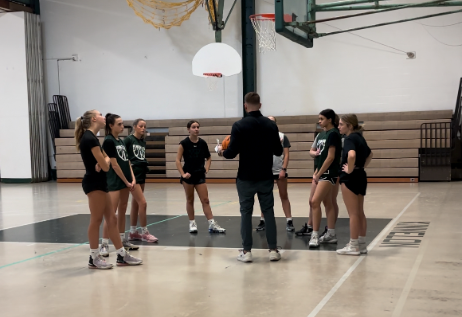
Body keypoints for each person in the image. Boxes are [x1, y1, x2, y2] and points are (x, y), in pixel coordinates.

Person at [218, 92, 283, 263]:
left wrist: (220, 151)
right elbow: (278, 151)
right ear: (260, 105)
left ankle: (246, 252)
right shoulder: (270, 125)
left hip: (246, 177)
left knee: (246, 213)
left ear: (245, 106)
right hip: (265, 176)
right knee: (268, 211)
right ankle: (273, 250)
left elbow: (231, 154)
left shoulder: (239, 125)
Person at [75, 110, 142, 268]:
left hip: (101, 183)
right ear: (93, 119)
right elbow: (106, 165)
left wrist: (104, 159)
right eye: (99, 114)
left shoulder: (95, 138)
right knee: (96, 220)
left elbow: (105, 161)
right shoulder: (89, 138)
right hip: (93, 183)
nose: (103, 117)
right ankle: (93, 257)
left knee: (112, 219)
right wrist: (105, 160)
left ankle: (121, 255)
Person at [99, 114, 148, 257]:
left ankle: (122, 239)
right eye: (119, 124)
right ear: (111, 126)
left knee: (122, 210)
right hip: (115, 182)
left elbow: (127, 162)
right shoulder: (108, 141)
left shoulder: (120, 141)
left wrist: (132, 178)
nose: (122, 126)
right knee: (111, 213)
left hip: (126, 181)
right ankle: (104, 243)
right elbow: (114, 165)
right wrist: (125, 181)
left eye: (122, 124)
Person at [295, 109, 341, 248]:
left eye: (322, 119)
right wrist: (316, 171)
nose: (319, 121)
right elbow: (319, 155)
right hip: (320, 172)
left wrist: (319, 173)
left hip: (329, 173)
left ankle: (314, 234)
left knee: (316, 201)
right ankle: (331, 233)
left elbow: (331, 157)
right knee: (326, 203)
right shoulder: (321, 134)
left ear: (330, 119)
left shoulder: (333, 134)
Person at [175, 120, 226, 233]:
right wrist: (183, 174)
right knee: (190, 200)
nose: (196, 129)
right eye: (193, 127)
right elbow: (177, 161)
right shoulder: (183, 143)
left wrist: (206, 169)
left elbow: (208, 157)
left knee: (205, 200)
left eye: (198, 127)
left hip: (199, 175)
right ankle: (192, 223)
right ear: (188, 129)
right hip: (188, 177)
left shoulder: (202, 143)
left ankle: (212, 223)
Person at [337, 114, 372, 255]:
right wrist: (360, 167)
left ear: (349, 126)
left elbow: (351, 155)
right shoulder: (360, 137)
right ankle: (361, 244)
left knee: (353, 214)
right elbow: (370, 154)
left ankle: (353, 245)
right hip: (361, 176)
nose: (338, 127)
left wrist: (350, 169)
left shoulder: (350, 138)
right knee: (360, 212)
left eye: (341, 124)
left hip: (350, 178)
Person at [255, 116, 294, 232]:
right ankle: (263, 220)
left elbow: (286, 155)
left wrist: (284, 169)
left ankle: (289, 221)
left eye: (272, 121)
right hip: (266, 171)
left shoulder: (282, 136)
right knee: (265, 197)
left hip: (279, 170)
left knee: (283, 195)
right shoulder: (261, 136)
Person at [122, 118, 158, 243]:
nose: (143, 128)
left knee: (136, 203)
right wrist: (129, 174)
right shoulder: (128, 140)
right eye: (141, 126)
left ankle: (133, 232)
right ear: (134, 126)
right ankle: (145, 232)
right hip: (133, 173)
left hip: (141, 172)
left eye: (145, 126)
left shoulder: (142, 141)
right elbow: (124, 157)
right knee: (143, 203)